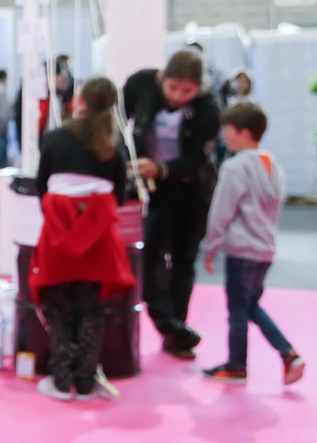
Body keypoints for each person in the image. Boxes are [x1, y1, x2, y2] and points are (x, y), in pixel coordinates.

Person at [30, 77, 134, 401]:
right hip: (99, 240)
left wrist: (62, 218)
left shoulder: (55, 138)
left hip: (57, 233)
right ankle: (86, 382)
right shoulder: (114, 147)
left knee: (57, 305)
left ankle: (61, 380)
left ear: (81, 102)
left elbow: (41, 186)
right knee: (91, 309)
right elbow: (118, 197)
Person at [123, 48, 220, 360]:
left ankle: (176, 330)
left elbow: (195, 158)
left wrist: (162, 168)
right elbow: (117, 121)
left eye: (187, 90)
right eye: (173, 88)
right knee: (149, 254)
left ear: (198, 88)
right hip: (152, 188)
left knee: (183, 260)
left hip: (193, 190)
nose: (179, 96)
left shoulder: (208, 109)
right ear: (162, 79)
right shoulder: (139, 84)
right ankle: (165, 320)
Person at [200, 102, 305, 385]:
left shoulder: (235, 167)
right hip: (265, 249)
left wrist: (210, 246)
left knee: (238, 309)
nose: (224, 136)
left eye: (228, 130)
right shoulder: (272, 163)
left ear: (244, 133)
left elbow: (221, 210)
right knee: (250, 305)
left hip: (242, 249)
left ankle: (241, 364)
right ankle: (287, 355)